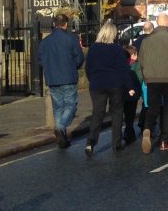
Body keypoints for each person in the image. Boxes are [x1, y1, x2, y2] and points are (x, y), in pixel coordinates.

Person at [137, 13, 168, 153]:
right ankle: (165, 141)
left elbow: (141, 61)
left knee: (153, 108)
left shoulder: (147, 40)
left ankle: (147, 129)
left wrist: (145, 77)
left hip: (152, 79)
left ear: (157, 23)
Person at [84, 21, 133, 156]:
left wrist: (93, 79)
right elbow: (124, 70)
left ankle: (90, 143)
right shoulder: (117, 49)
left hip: (97, 84)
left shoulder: (93, 48)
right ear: (113, 34)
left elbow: (88, 68)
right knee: (117, 113)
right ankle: (116, 143)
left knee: (97, 113)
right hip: (114, 84)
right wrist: (129, 86)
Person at [37, 13, 84, 149]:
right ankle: (60, 127)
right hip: (68, 77)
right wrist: (72, 66)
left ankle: (62, 137)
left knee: (58, 107)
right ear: (65, 24)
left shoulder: (45, 41)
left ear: (54, 24)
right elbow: (79, 58)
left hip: (52, 78)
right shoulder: (71, 38)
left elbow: (40, 60)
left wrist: (50, 68)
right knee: (71, 105)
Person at [122, 45, 142, 144]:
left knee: (126, 114)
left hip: (123, 94)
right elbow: (139, 78)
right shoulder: (135, 66)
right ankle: (129, 132)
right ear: (132, 55)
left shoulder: (121, 66)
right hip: (132, 94)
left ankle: (128, 132)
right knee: (131, 115)